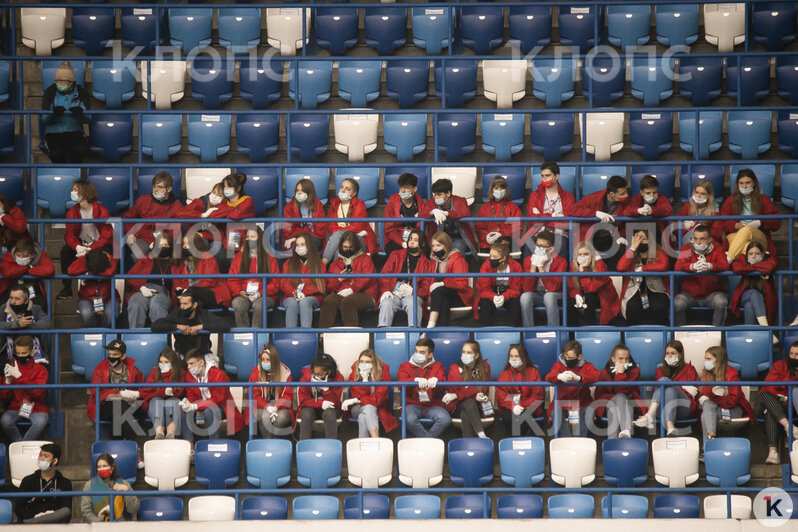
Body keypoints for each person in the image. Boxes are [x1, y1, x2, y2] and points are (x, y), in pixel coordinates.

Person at [57, 179, 114, 300]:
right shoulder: (72, 212)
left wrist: (91, 248)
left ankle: (102, 287)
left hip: (99, 245)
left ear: (85, 192)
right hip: (81, 244)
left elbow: (107, 234)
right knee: (65, 251)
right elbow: (69, 235)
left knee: (107, 252)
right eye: (73, 189)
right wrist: (78, 247)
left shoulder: (102, 210)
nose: (72, 192)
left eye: (76, 190)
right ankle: (67, 288)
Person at [633, 340, 699, 437]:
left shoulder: (690, 369)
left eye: (673, 353)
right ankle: (670, 427)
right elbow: (658, 393)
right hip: (663, 408)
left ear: (680, 354)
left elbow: (693, 393)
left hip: (683, 407)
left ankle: (649, 416)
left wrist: (675, 386)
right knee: (669, 390)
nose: (669, 356)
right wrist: (682, 387)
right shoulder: (660, 370)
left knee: (664, 381)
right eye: (667, 353)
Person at [87, 340, 147, 444]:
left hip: (130, 405)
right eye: (109, 354)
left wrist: (135, 395)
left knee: (121, 408)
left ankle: (116, 445)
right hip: (106, 406)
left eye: (115, 354)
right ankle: (132, 446)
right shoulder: (100, 370)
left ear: (123, 356)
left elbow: (145, 390)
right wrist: (119, 394)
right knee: (118, 405)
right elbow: (96, 394)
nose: (111, 357)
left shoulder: (134, 371)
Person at [180, 348, 244, 442]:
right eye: (188, 364)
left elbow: (218, 399)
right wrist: (188, 402)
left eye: (191, 363)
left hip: (221, 407)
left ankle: (214, 442)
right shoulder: (189, 375)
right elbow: (191, 394)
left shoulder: (218, 374)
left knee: (209, 411)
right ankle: (190, 444)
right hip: (201, 405)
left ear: (201, 362)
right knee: (184, 410)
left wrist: (195, 405)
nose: (189, 367)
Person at [567, 174, 629, 270]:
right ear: (612, 194)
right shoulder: (594, 198)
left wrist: (622, 236)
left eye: (626, 192)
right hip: (593, 236)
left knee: (622, 249)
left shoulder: (626, 202)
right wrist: (595, 213)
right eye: (622, 194)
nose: (626, 195)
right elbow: (572, 210)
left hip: (613, 238)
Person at [697, 346, 754, 449]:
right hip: (716, 409)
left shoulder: (731, 375)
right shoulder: (706, 373)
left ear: (718, 360)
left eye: (709, 359)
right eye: (705, 358)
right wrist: (712, 396)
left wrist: (713, 397)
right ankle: (711, 440)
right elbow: (704, 392)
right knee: (706, 410)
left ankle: (708, 448)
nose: (706, 362)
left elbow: (733, 401)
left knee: (707, 408)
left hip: (734, 410)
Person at [719, 168, 780, 263]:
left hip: (758, 236)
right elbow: (722, 221)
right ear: (737, 184)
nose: (744, 186)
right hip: (736, 235)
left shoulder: (763, 199)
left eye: (748, 183)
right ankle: (754, 264)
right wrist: (735, 225)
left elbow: (776, 222)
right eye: (741, 183)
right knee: (744, 243)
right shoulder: (731, 200)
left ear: (754, 183)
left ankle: (727, 261)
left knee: (746, 230)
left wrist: (760, 223)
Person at [674, 224, 729, 326]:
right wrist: (692, 266)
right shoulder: (686, 248)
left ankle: (717, 334)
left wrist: (711, 266)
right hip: (689, 294)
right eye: (696, 239)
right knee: (677, 303)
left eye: (702, 239)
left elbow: (725, 266)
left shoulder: (717, 248)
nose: (698, 242)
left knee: (721, 301)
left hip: (712, 293)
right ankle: (679, 334)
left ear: (709, 239)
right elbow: (677, 266)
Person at [151, 288, 231, 359]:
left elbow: (225, 325)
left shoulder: (204, 314)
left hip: (202, 356)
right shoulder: (176, 314)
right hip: (181, 356)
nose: (182, 307)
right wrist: (177, 326)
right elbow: (155, 326)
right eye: (180, 304)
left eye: (185, 304)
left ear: (194, 305)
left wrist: (201, 327)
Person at [319, 231, 378, 328]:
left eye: (351, 248)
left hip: (366, 293)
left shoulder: (365, 259)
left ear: (356, 246)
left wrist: (352, 289)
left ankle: (353, 335)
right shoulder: (335, 264)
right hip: (342, 292)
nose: (348, 250)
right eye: (345, 247)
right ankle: (323, 334)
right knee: (329, 300)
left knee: (347, 302)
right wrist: (339, 279)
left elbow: (367, 278)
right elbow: (329, 286)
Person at [753, 340, 798, 464]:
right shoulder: (780, 365)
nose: (793, 357)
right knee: (764, 394)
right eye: (791, 354)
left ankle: (773, 452)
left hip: (789, 406)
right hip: (768, 403)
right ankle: (789, 427)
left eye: (797, 354)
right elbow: (769, 385)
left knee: (770, 412)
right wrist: (778, 396)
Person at [378, 229, 433, 327]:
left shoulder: (427, 264)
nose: (411, 242)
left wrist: (413, 291)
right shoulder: (396, 255)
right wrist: (386, 290)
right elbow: (385, 274)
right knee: (386, 302)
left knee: (413, 302)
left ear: (423, 244)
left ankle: (414, 333)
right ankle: (383, 333)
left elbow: (426, 289)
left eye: (416, 240)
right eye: (410, 239)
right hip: (394, 291)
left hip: (412, 293)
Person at [397, 338, 451, 438]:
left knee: (445, 419)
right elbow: (400, 384)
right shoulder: (405, 366)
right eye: (416, 351)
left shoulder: (438, 366)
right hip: (411, 405)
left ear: (430, 355)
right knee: (409, 419)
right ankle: (428, 441)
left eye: (422, 352)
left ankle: (426, 440)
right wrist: (414, 381)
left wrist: (436, 382)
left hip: (433, 405)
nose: (417, 354)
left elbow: (444, 386)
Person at [123, 171, 181, 262]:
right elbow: (128, 218)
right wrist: (130, 233)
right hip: (143, 237)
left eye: (160, 187)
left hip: (163, 239)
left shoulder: (176, 206)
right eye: (154, 186)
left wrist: (164, 241)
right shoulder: (143, 200)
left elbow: (175, 230)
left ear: (169, 189)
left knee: (165, 255)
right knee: (138, 257)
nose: (155, 190)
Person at [545, 340, 600, 437]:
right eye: (565, 357)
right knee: (555, 414)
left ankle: (580, 440)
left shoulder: (587, 366)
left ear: (579, 357)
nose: (567, 360)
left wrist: (580, 378)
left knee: (589, 413)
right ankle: (567, 441)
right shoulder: (558, 365)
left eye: (570, 358)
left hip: (582, 404)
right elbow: (548, 377)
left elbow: (597, 377)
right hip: (561, 404)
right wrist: (558, 377)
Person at [616, 229, 670, 325]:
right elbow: (620, 267)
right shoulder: (631, 253)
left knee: (659, 306)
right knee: (632, 307)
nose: (640, 242)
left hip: (656, 290)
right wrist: (632, 248)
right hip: (635, 290)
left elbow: (663, 265)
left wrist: (644, 268)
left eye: (644, 238)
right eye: (638, 239)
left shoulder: (658, 251)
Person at [0, 336, 49, 442]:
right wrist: (7, 382)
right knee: (5, 420)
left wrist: (19, 377)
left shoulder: (41, 370)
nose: (20, 356)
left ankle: (22, 445)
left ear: (32, 353)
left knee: (41, 421)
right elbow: (5, 398)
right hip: (16, 407)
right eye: (18, 354)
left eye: (23, 353)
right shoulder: (11, 368)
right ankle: (20, 444)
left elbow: (37, 393)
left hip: (36, 407)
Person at [229, 227, 279, 328]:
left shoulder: (270, 258)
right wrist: (239, 291)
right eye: (247, 237)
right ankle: (244, 335)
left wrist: (260, 292)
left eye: (252, 237)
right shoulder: (238, 257)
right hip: (244, 294)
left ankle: (257, 335)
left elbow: (275, 283)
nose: (249, 239)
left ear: (259, 238)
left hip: (265, 295)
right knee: (237, 303)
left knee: (259, 305)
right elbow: (232, 280)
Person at [41, 61, 89, 163]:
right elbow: (44, 119)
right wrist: (53, 114)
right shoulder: (50, 92)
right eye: (57, 81)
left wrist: (79, 114)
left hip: (75, 132)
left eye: (63, 82)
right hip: (53, 133)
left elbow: (88, 118)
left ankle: (74, 175)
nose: (59, 84)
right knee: (57, 154)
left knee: (80, 150)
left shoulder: (81, 92)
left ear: (71, 82)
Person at [342, 349, 398, 438]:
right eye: (361, 361)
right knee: (368, 407)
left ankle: (363, 445)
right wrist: (364, 381)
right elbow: (357, 394)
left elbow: (379, 398)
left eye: (368, 362)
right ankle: (376, 440)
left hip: (378, 407)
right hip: (357, 408)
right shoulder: (355, 371)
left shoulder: (383, 372)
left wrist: (358, 399)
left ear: (374, 364)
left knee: (363, 417)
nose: (364, 364)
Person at [443, 341, 493, 438]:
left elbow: (483, 390)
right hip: (457, 405)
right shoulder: (454, 369)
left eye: (469, 353)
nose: (465, 355)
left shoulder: (484, 368)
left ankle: (468, 442)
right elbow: (453, 393)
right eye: (463, 352)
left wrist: (463, 393)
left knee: (466, 412)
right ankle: (481, 434)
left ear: (476, 355)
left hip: (478, 407)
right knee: (468, 402)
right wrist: (472, 393)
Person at [125, 233, 176, 328]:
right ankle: (134, 335)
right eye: (160, 245)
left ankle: (160, 335)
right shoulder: (146, 260)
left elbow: (181, 281)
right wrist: (142, 287)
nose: (163, 248)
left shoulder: (176, 264)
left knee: (156, 302)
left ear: (170, 247)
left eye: (166, 245)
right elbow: (131, 276)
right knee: (136, 302)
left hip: (163, 293)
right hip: (143, 289)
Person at [322, 178, 379, 264]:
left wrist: (340, 231)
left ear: (354, 193)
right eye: (341, 187)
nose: (343, 190)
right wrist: (340, 233)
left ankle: (322, 265)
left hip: (359, 238)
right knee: (339, 249)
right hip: (339, 239)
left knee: (339, 234)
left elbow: (357, 227)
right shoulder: (334, 204)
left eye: (347, 189)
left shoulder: (359, 204)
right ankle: (337, 272)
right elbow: (329, 226)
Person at [594, 344, 645, 439]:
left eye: (626, 359)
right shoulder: (605, 372)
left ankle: (613, 441)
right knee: (615, 403)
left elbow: (622, 391)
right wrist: (620, 374)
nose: (624, 362)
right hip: (607, 404)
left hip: (630, 403)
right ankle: (625, 432)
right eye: (620, 359)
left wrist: (620, 374)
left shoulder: (634, 371)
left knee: (619, 399)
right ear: (613, 359)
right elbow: (599, 395)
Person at [526, 162, 575, 257]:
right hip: (539, 234)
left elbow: (567, 223)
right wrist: (553, 216)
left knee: (562, 245)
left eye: (547, 175)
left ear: (556, 176)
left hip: (560, 235)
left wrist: (543, 218)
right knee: (528, 243)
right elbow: (533, 219)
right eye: (542, 176)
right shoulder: (534, 196)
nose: (544, 179)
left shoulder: (568, 197)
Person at [520, 229, 567, 327]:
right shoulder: (528, 260)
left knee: (548, 296)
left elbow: (553, 288)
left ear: (551, 248)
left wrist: (541, 268)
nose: (538, 249)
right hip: (537, 294)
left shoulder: (561, 262)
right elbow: (527, 288)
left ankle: (553, 331)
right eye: (537, 245)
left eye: (542, 246)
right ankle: (528, 332)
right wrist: (533, 267)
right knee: (525, 297)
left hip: (556, 295)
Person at [15, 443, 72, 524]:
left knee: (65, 511)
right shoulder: (28, 480)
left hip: (55, 524)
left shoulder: (65, 483)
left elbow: (66, 511)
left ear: (55, 461)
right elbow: (19, 508)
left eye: (46, 456)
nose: (41, 459)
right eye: (40, 455)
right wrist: (36, 517)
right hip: (31, 523)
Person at [173, 232, 232, 311]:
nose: (184, 246)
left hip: (213, 293)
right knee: (194, 303)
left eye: (187, 243)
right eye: (184, 243)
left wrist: (191, 288)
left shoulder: (207, 257)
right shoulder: (185, 261)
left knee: (192, 295)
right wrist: (182, 288)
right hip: (194, 294)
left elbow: (210, 281)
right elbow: (184, 281)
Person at [730, 241, 778, 336]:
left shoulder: (770, 260)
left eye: (757, 254)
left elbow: (769, 267)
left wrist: (749, 267)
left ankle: (750, 336)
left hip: (764, 301)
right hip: (744, 297)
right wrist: (759, 267)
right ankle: (766, 330)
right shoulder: (742, 260)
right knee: (753, 293)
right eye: (751, 254)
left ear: (763, 254)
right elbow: (736, 268)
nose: (754, 256)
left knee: (749, 306)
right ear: (746, 255)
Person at [567, 241, 620, 326]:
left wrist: (582, 271)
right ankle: (572, 334)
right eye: (579, 254)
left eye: (586, 254)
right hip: (584, 294)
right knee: (570, 303)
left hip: (602, 296)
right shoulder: (573, 264)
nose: (582, 257)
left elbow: (591, 288)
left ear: (592, 254)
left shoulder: (599, 265)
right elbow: (572, 285)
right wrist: (576, 295)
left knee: (588, 299)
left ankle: (590, 331)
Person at [427, 231, 474, 328]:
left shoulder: (458, 259)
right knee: (444, 298)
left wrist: (443, 284)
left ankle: (430, 326)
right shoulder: (433, 260)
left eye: (438, 245)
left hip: (459, 296)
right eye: (433, 246)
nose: (435, 249)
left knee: (439, 291)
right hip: (441, 297)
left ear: (446, 245)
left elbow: (462, 284)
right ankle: (442, 330)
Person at [496, 344, 544, 436]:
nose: (513, 359)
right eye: (511, 356)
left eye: (517, 356)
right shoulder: (504, 374)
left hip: (529, 406)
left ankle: (517, 440)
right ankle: (519, 439)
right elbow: (501, 396)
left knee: (524, 417)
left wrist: (522, 405)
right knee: (509, 417)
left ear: (523, 357)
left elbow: (537, 395)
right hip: (510, 407)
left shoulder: (533, 372)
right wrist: (513, 406)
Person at [419, 178, 477, 255]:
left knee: (458, 246)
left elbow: (465, 212)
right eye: (435, 194)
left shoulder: (460, 201)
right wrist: (432, 212)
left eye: (439, 194)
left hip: (458, 239)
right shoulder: (431, 202)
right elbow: (421, 214)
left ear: (448, 193)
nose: (436, 197)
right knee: (437, 247)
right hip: (439, 239)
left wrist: (448, 213)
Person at [246, 344, 294, 438]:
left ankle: (274, 444)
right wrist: (267, 407)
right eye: (263, 359)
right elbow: (254, 396)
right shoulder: (255, 374)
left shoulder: (285, 374)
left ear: (274, 360)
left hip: (280, 407)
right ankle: (269, 445)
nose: (264, 362)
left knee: (280, 419)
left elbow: (288, 396)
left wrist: (276, 407)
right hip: (261, 406)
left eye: (268, 360)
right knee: (265, 417)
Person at [281, 233, 326, 328]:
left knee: (305, 302)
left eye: (302, 244)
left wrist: (305, 293)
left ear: (309, 245)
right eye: (297, 245)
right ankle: (290, 335)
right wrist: (294, 293)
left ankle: (306, 334)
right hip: (291, 296)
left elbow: (320, 285)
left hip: (313, 297)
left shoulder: (319, 263)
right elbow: (284, 283)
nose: (299, 247)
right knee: (292, 303)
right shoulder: (288, 263)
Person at [140, 348, 185, 440]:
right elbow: (146, 394)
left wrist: (163, 390)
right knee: (156, 400)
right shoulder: (155, 371)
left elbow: (179, 393)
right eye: (161, 362)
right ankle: (159, 432)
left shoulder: (181, 373)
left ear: (173, 363)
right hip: (154, 406)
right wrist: (163, 392)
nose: (163, 364)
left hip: (174, 407)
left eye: (166, 362)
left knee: (173, 401)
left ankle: (171, 432)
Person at [67, 249, 120, 328]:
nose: (96, 272)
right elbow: (70, 270)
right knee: (86, 313)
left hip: (109, 298)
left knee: (111, 314)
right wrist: (87, 265)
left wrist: (89, 273)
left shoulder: (109, 259)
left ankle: (102, 335)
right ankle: (94, 335)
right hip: (86, 299)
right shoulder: (85, 259)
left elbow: (110, 271)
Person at [214, 172, 256, 272]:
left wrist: (224, 213)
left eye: (229, 187)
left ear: (238, 188)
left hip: (246, 241)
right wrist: (232, 209)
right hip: (228, 242)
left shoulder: (248, 201)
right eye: (225, 187)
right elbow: (213, 216)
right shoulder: (224, 204)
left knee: (238, 260)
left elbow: (236, 215)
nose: (226, 190)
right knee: (219, 255)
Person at [297, 353, 344, 440]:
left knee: (330, 413)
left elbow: (335, 402)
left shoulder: (338, 378)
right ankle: (304, 445)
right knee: (306, 413)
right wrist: (320, 403)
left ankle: (331, 446)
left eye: (319, 374)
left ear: (329, 372)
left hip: (331, 409)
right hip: (311, 407)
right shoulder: (306, 377)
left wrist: (326, 390)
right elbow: (303, 401)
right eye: (314, 373)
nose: (315, 376)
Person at [0, 285, 51, 364]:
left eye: (17, 299)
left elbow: (46, 324)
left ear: (26, 301)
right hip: (6, 351)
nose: (13, 302)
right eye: (11, 298)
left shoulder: (35, 308)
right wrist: (17, 324)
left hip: (30, 349)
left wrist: (27, 326)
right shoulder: (3, 308)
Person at [80, 454, 139, 522]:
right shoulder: (89, 486)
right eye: (99, 467)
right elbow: (86, 511)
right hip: (97, 526)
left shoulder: (124, 484)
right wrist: (101, 524)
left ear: (112, 467)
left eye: (105, 466)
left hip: (119, 525)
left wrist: (126, 491)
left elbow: (133, 509)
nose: (102, 469)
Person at [476, 241, 522, 326]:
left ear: (504, 258)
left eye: (495, 257)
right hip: (492, 293)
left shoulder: (516, 266)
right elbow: (484, 288)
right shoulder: (486, 266)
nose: (491, 259)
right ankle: (486, 332)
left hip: (509, 294)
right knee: (485, 302)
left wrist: (504, 296)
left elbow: (516, 289)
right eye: (490, 256)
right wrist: (493, 296)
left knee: (515, 303)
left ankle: (513, 332)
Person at [474, 175, 522, 252]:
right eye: (496, 188)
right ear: (492, 189)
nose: (499, 190)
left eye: (502, 187)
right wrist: (486, 236)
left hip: (506, 244)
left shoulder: (513, 208)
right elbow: (479, 228)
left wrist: (501, 235)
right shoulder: (484, 208)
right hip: (487, 244)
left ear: (506, 190)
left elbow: (517, 229)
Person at [383, 172, 423, 256]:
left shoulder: (421, 204)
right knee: (396, 253)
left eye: (407, 187)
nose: (403, 191)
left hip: (415, 239)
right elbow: (390, 230)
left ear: (415, 189)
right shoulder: (391, 205)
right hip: (396, 240)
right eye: (401, 187)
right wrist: (402, 243)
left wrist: (414, 241)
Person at [282, 178, 326, 250]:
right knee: (298, 247)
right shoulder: (289, 207)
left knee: (304, 246)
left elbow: (320, 233)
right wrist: (307, 230)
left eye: (302, 190)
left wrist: (302, 234)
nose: (299, 193)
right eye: (297, 190)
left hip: (314, 239)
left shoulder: (318, 205)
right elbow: (287, 231)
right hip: (295, 238)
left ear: (309, 192)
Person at [676, 178, 722, 243]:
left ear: (709, 195)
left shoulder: (715, 210)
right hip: (688, 242)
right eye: (696, 192)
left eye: (703, 194)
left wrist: (700, 229)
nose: (698, 196)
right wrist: (685, 228)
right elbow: (676, 228)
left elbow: (717, 234)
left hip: (708, 243)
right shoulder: (688, 205)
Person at [0, 192, 32, 260]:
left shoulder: (14, 210)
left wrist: (4, 217)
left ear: (3, 202)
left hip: (19, 246)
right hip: (3, 246)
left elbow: (19, 228)